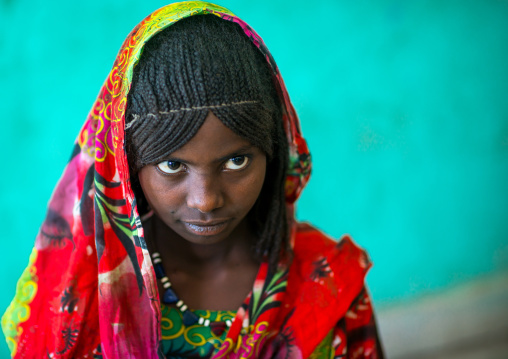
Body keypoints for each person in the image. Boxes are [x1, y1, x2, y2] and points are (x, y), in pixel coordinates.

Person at [1, 2, 383, 358]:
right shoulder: (87, 297)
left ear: (274, 152)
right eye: (172, 166)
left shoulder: (329, 283)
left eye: (236, 161)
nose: (206, 200)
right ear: (127, 164)